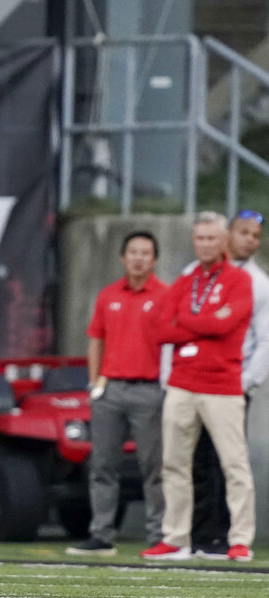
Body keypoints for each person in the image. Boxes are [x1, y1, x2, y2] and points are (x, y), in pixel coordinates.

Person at [141, 211, 256, 562]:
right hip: (181, 383)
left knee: (233, 464)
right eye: (200, 238)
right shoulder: (186, 281)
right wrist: (203, 323)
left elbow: (228, 324)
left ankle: (240, 540)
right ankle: (175, 538)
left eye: (212, 238)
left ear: (225, 240)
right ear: (194, 241)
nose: (205, 244)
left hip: (222, 385)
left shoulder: (239, 280)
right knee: (173, 463)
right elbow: (159, 327)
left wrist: (186, 323)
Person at [66, 231, 167, 557]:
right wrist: (95, 384)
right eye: (133, 252)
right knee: (102, 465)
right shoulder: (108, 295)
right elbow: (96, 339)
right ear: (123, 258)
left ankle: (159, 535)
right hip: (110, 391)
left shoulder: (165, 296)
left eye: (145, 253)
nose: (139, 258)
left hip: (149, 390)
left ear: (154, 260)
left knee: (155, 468)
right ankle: (101, 534)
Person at [190, 209, 269, 559]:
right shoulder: (197, 275)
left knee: (230, 462)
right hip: (194, 381)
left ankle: (230, 537)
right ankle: (199, 536)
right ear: (227, 236)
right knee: (194, 459)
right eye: (244, 232)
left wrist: (246, 382)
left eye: (256, 235)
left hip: (231, 383)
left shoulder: (258, 282)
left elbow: (265, 341)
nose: (250, 240)